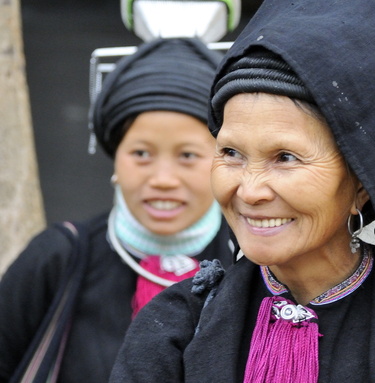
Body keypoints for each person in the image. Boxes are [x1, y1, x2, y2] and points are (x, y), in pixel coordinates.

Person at [110, 1, 375, 382]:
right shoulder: (179, 327)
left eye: (285, 158)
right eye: (231, 153)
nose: (250, 189)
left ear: (361, 182)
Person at [0, 37, 234, 383]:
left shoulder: (252, 266)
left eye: (188, 155)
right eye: (141, 153)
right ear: (115, 161)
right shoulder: (58, 259)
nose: (163, 179)